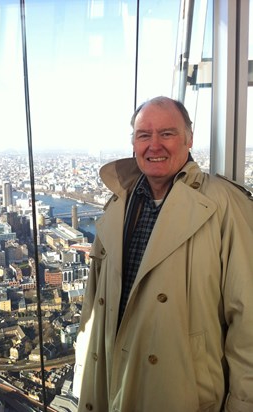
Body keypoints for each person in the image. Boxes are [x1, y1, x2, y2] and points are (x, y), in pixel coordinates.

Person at [73, 96, 253, 412]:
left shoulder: (225, 205)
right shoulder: (118, 204)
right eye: (144, 135)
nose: (154, 145)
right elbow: (95, 304)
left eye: (167, 133)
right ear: (133, 143)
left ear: (189, 138)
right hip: (115, 383)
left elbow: (248, 321)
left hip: (182, 391)